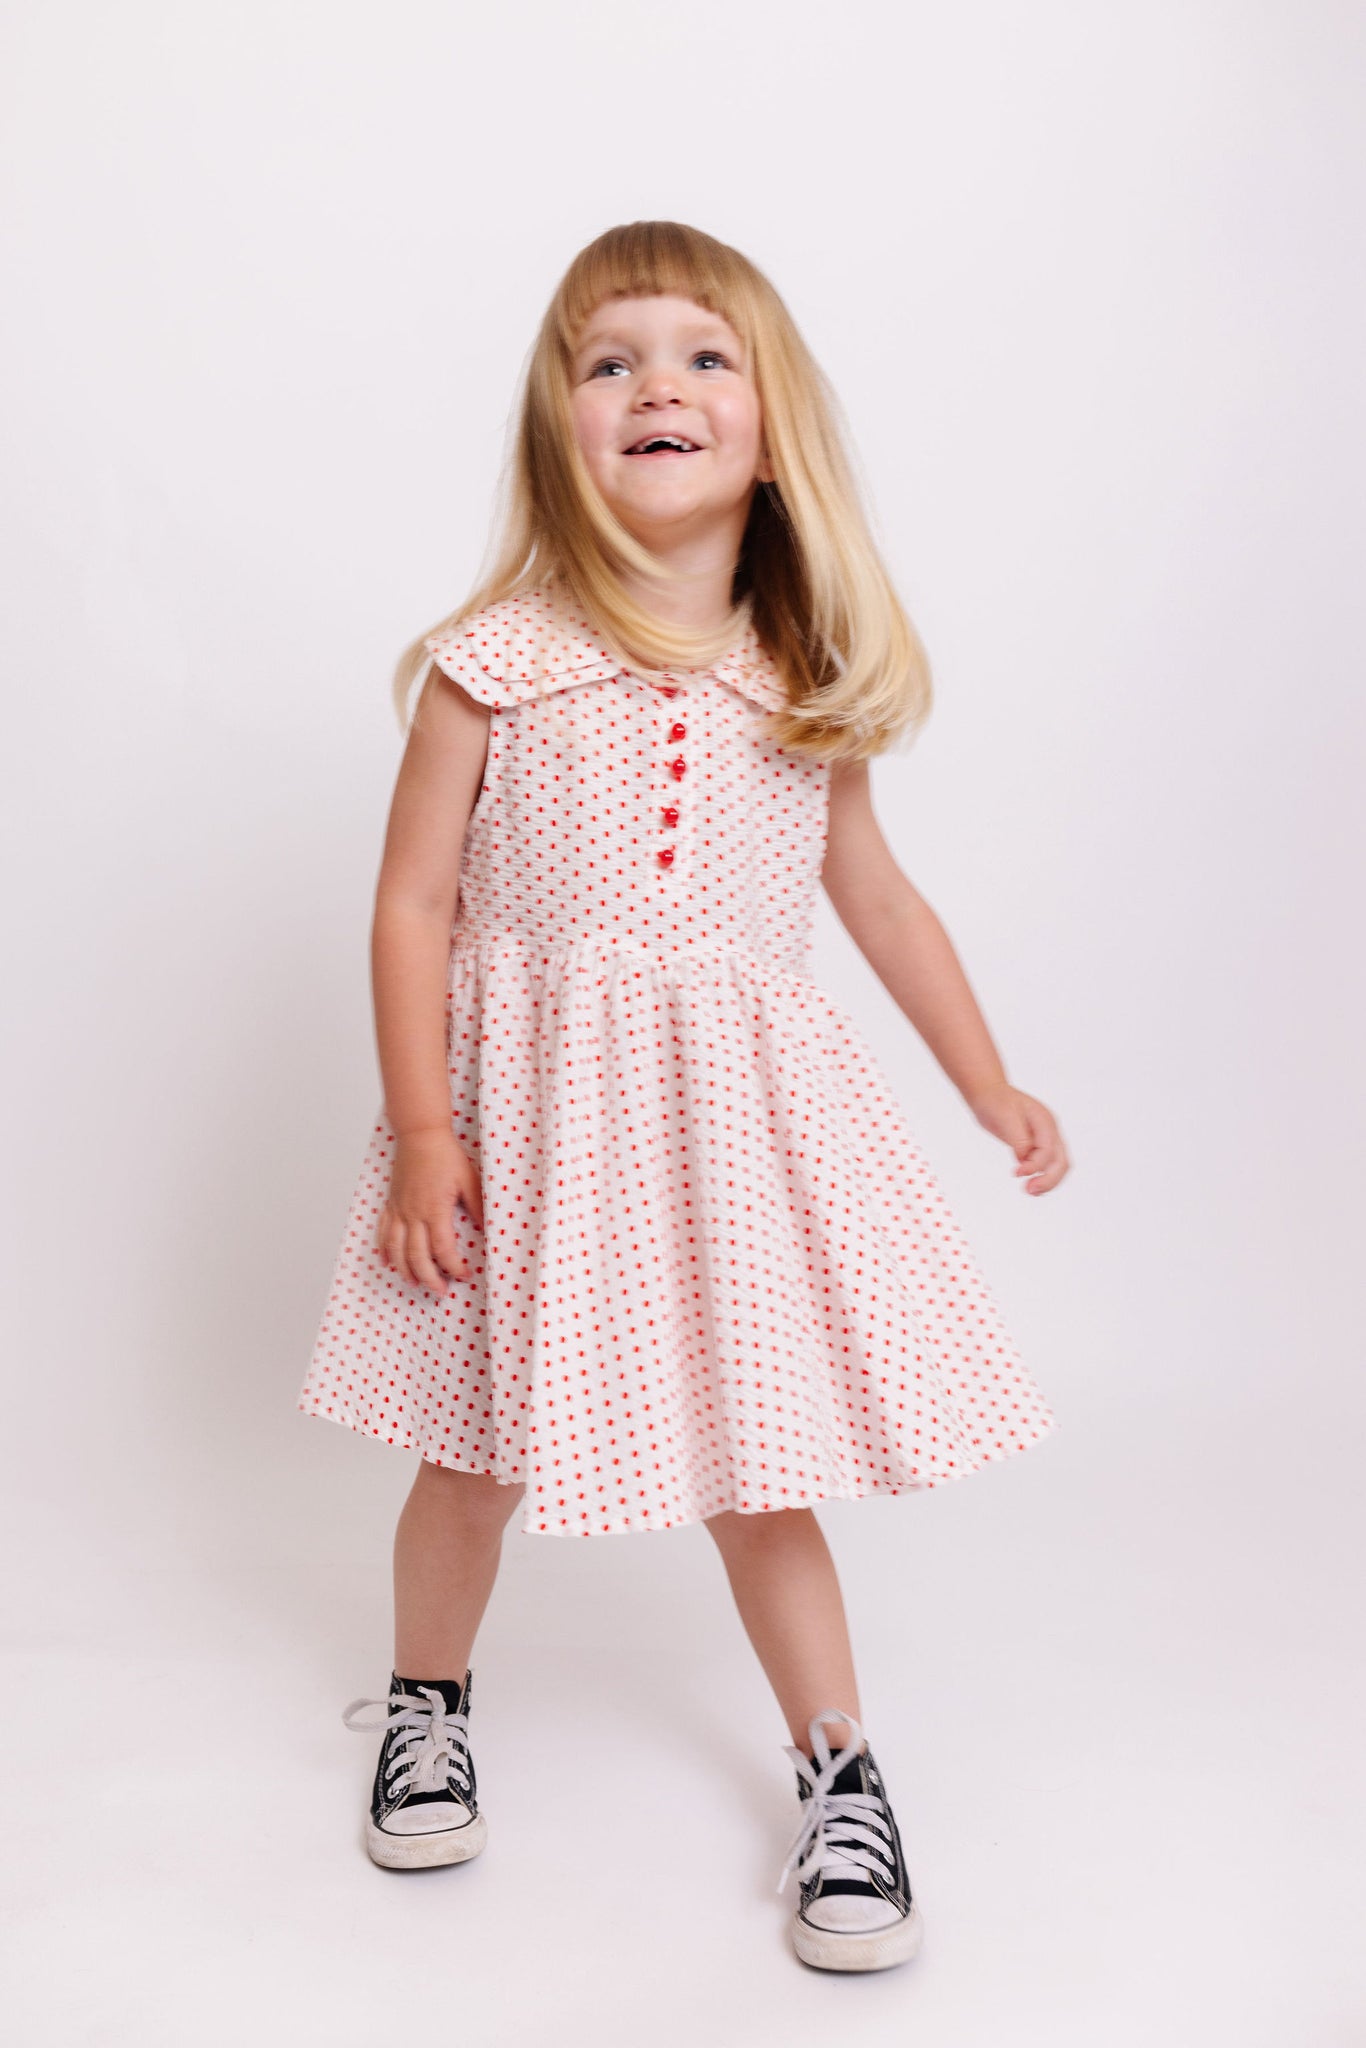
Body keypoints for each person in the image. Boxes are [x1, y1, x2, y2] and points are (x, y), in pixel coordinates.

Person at [298, 219, 1067, 1974]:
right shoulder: (495, 661)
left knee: (759, 1463)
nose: (658, 384)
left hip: (728, 1138)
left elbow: (876, 900)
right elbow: (411, 903)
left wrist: (985, 1080)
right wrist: (425, 1134)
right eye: (610, 359)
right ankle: (426, 1701)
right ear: (559, 429)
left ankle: (839, 1771)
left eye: (704, 356)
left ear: (771, 428)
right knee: (468, 1457)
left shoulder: (799, 675)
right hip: (525, 1129)